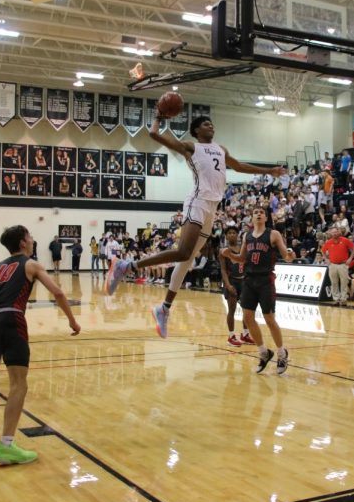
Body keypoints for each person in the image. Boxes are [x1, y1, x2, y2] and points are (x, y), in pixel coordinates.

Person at [105, 115, 283, 338]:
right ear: (197, 130)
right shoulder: (191, 147)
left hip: (212, 208)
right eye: (206, 124)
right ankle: (127, 266)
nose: (211, 125)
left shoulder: (221, 149)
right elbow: (154, 135)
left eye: (212, 123)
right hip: (198, 202)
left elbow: (238, 166)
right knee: (183, 252)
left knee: (186, 261)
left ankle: (164, 309)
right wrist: (158, 118)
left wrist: (268, 171)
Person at [0, 225, 80, 466]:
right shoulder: (31, 264)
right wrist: (72, 320)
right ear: (23, 242)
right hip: (11, 318)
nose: (32, 240)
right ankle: (7, 446)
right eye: (30, 236)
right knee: (19, 384)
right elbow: (58, 293)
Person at [221, 206, 295, 374]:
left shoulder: (273, 234)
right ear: (251, 218)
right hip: (249, 280)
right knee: (247, 317)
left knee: (269, 319)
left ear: (266, 218)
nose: (259, 214)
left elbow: (286, 256)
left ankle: (282, 353)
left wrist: (291, 255)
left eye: (262, 212)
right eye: (256, 212)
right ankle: (263, 352)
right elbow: (241, 259)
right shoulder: (246, 236)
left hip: (265, 280)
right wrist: (229, 255)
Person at [220, 225, 253, 347]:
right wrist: (227, 285)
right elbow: (223, 270)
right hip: (232, 282)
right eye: (229, 233)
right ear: (226, 236)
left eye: (234, 232)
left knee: (247, 310)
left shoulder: (243, 248)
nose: (232, 235)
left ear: (237, 235)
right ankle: (231, 336)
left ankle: (245, 334)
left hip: (243, 281)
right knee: (232, 310)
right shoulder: (223, 251)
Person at [322, 227, 354, 306]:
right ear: (331, 233)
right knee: (334, 283)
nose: (334, 234)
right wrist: (326, 259)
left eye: (336, 232)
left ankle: (343, 300)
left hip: (343, 265)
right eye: (333, 232)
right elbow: (322, 251)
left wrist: (350, 258)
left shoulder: (345, 240)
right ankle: (336, 299)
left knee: (344, 283)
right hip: (332, 265)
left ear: (338, 232)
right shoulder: (328, 242)